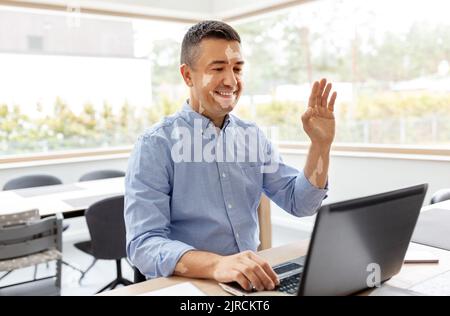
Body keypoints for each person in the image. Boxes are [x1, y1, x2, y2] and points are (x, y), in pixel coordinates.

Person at [125, 20, 337, 292]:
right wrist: (217, 265)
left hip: (249, 284)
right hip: (190, 286)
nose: (231, 80)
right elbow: (143, 244)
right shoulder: (155, 145)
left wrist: (320, 146)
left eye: (237, 68)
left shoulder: (252, 136)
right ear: (188, 76)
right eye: (217, 69)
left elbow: (301, 204)